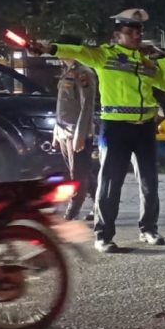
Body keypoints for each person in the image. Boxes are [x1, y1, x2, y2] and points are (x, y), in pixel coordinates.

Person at [30, 8, 165, 253]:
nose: (136, 37)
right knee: (110, 182)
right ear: (117, 36)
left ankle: (148, 229)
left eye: (138, 32)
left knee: (150, 182)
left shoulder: (146, 59)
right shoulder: (103, 56)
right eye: (130, 33)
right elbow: (76, 51)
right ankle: (103, 235)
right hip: (115, 129)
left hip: (145, 129)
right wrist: (49, 48)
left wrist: (162, 58)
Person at [54, 52, 98, 222]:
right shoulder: (67, 71)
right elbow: (62, 105)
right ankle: (98, 204)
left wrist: (80, 135)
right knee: (83, 171)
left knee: (77, 175)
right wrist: (56, 132)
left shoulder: (83, 73)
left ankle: (71, 213)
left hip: (76, 133)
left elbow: (86, 106)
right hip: (64, 131)